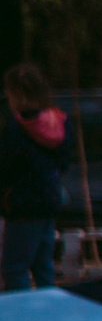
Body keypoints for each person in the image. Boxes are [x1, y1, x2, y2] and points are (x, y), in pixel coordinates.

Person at [0, 64, 66, 290]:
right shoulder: (57, 123)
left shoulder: (17, 130)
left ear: (17, 95)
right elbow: (65, 159)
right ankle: (50, 313)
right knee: (43, 265)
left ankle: (22, 316)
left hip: (23, 206)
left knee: (15, 267)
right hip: (49, 200)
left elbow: (6, 166)